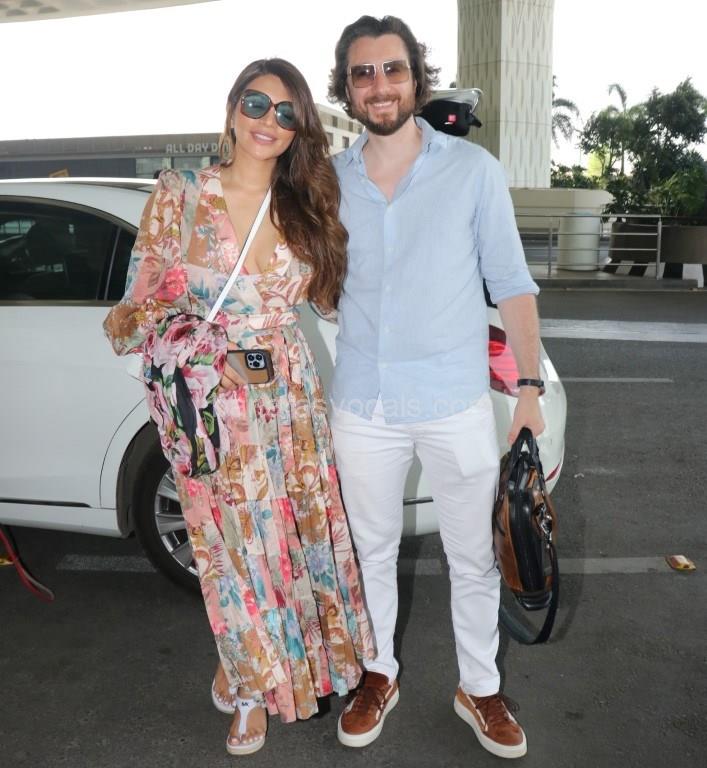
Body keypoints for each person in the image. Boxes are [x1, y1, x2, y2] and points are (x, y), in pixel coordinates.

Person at [104, 58, 373, 756]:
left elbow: (329, 302)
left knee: (290, 546)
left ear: (299, 128)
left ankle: (246, 664)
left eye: (286, 113)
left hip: (289, 399)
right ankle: (252, 692)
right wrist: (215, 353)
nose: (268, 121)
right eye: (256, 103)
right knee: (230, 551)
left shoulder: (305, 204)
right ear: (231, 108)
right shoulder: (182, 194)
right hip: (214, 402)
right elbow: (136, 311)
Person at [327, 15, 545, 759]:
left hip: (454, 400)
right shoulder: (329, 180)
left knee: (473, 555)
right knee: (371, 550)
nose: (379, 85)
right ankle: (377, 674)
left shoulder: (472, 171)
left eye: (392, 68)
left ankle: (478, 687)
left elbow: (511, 283)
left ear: (416, 77)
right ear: (347, 88)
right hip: (363, 402)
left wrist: (528, 389)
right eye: (362, 73)